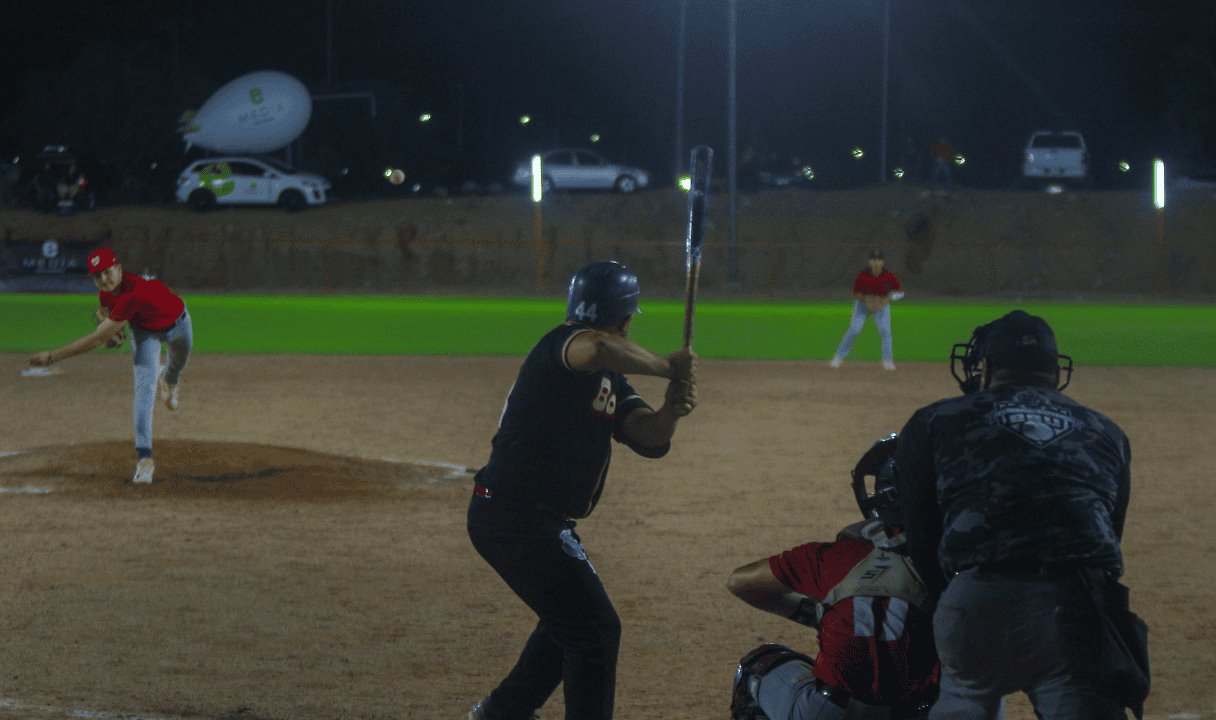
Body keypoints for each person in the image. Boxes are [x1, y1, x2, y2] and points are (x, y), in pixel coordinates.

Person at [466, 260, 698, 720]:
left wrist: (671, 411)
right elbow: (593, 346)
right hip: (513, 516)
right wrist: (666, 366)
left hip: (530, 519)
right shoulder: (567, 345)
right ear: (625, 319)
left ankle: (503, 712)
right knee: (594, 629)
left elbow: (647, 438)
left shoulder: (609, 375)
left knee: (569, 623)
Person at [894, 310, 1149, 719]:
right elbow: (1104, 540)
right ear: (1054, 369)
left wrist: (955, 602)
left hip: (974, 600)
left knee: (965, 694)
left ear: (988, 366)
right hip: (1072, 610)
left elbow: (924, 538)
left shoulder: (937, 419)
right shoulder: (1107, 431)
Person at [727, 435, 939, 720]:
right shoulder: (959, 564)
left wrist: (814, 614)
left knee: (758, 665)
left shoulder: (840, 554)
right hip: (922, 713)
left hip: (832, 712)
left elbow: (741, 582)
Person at [28, 247, 193, 484]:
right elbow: (105, 311)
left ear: (119, 268)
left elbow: (96, 338)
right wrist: (110, 326)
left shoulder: (132, 293)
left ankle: (168, 380)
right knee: (144, 390)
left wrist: (54, 356)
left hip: (179, 325)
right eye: (97, 276)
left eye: (107, 272)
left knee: (176, 367)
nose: (103, 279)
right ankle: (144, 460)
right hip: (144, 332)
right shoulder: (107, 294)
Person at [830, 251, 903, 370]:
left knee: (886, 332)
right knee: (854, 330)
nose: (876, 262)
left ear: (883, 262)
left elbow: (900, 292)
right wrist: (867, 300)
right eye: (873, 260)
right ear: (869, 262)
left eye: (879, 260)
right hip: (862, 306)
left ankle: (887, 361)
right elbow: (855, 294)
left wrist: (885, 300)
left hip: (881, 306)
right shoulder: (862, 276)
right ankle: (838, 357)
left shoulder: (889, 276)